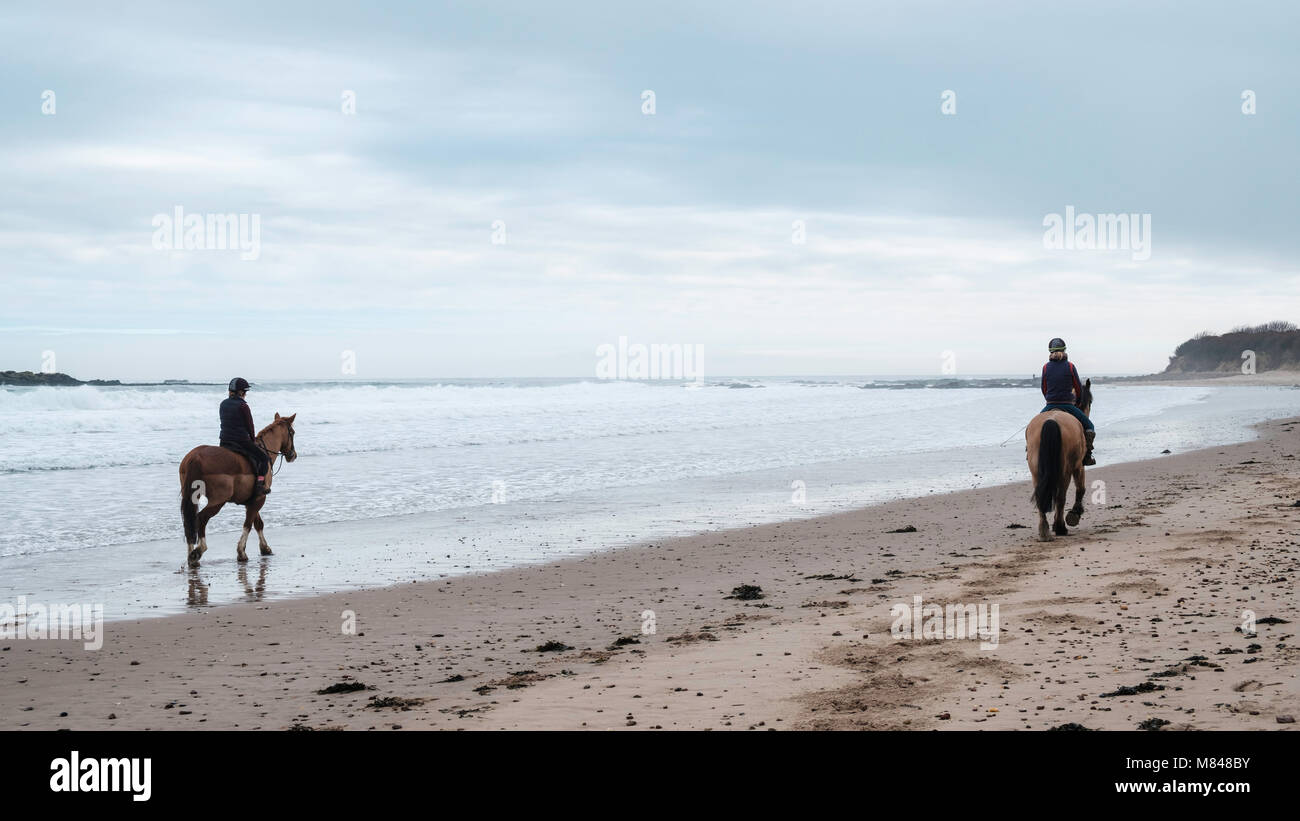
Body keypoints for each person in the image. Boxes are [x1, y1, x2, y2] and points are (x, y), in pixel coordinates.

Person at [1040, 338, 1096, 465]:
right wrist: (1078, 402)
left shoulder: (1045, 367)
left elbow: (1043, 388)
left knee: (1032, 427)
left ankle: (1029, 451)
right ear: (1064, 350)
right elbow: (1077, 387)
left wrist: (1049, 400)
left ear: (1050, 352)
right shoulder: (1070, 366)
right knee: (1090, 426)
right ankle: (1087, 456)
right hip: (1067, 405)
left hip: (1050, 405)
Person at [220, 377, 270, 496]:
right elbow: (250, 426)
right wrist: (252, 440)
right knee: (263, 458)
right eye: (245, 392)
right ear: (241, 392)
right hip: (240, 441)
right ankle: (260, 484)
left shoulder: (223, 403)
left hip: (224, 441)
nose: (245, 394)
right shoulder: (243, 406)